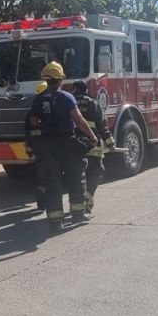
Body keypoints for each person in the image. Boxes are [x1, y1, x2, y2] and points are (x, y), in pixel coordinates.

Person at [28, 62, 99, 233]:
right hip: (68, 144)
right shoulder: (67, 98)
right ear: (60, 80)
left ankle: (56, 222)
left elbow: (33, 122)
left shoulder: (39, 99)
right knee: (76, 178)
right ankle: (78, 215)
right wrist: (92, 136)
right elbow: (79, 120)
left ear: (46, 79)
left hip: (48, 146)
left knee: (53, 183)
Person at [71, 80, 114, 217]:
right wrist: (110, 143)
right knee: (96, 171)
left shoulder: (69, 103)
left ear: (74, 90)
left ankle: (78, 203)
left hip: (74, 144)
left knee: (77, 174)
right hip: (92, 143)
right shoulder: (93, 103)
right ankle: (88, 198)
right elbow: (102, 125)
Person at [26, 81, 49, 211]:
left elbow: (27, 132)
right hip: (51, 148)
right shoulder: (52, 110)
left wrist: (30, 149)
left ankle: (41, 189)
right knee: (53, 174)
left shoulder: (31, 114)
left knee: (40, 173)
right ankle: (45, 194)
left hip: (37, 149)